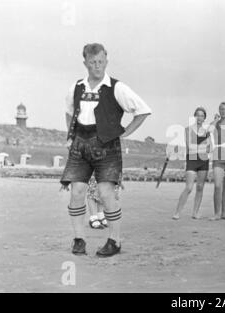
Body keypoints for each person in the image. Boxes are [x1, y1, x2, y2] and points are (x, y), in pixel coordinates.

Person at [60, 43, 152, 257]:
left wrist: (125, 132)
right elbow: (68, 111)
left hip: (107, 145)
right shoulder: (77, 87)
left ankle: (115, 241)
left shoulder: (117, 87)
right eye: (92, 62)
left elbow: (143, 110)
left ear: (106, 61)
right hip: (80, 144)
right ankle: (79, 239)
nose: (97, 66)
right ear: (85, 63)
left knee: (105, 193)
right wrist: (72, 134)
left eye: (100, 61)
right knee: (77, 192)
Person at [173, 107, 210, 220]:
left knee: (200, 187)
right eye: (198, 115)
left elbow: (209, 148)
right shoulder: (188, 129)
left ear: (204, 118)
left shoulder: (207, 132)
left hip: (203, 161)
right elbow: (189, 147)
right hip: (192, 160)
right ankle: (177, 212)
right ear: (195, 116)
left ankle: (195, 212)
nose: (199, 117)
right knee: (189, 187)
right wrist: (201, 148)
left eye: (202, 116)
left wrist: (200, 148)